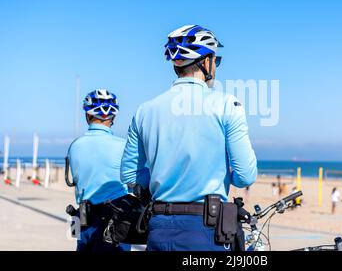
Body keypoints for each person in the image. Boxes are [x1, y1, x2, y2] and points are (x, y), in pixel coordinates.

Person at [121, 25, 257, 251]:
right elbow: (245, 175)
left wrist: (161, 179)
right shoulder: (227, 105)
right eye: (216, 60)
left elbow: (129, 174)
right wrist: (221, 172)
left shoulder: (145, 110)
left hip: (158, 227)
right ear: (206, 62)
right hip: (206, 228)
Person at [67, 89, 131, 252]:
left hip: (82, 219)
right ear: (113, 117)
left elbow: (75, 180)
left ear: (88, 115)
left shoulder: (75, 146)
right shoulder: (123, 146)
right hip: (115, 222)